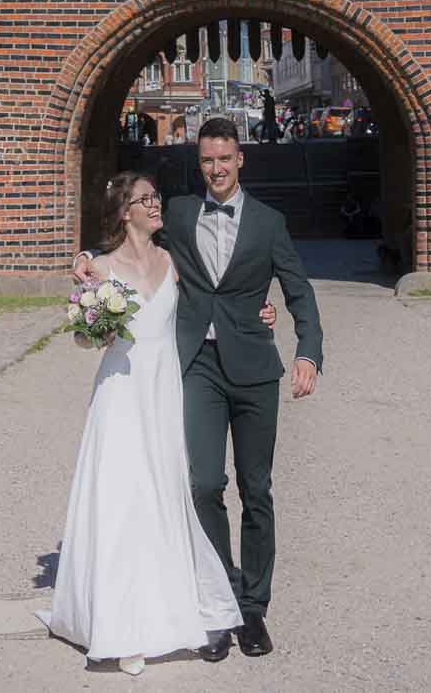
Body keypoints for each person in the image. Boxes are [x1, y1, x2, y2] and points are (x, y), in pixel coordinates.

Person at [43, 172, 276, 673]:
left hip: (167, 388)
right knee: (125, 497)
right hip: (122, 392)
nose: (155, 205)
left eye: (156, 197)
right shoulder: (100, 268)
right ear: (124, 212)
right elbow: (86, 340)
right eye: (144, 199)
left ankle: (175, 601)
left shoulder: (173, 260)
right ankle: (123, 622)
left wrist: (260, 308)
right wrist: (91, 317)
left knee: (168, 492)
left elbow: (221, 294)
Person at [163, 117, 323, 660]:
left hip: (255, 370)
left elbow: (298, 289)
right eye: (207, 160)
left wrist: (308, 351)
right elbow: (131, 233)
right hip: (199, 366)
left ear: (240, 159)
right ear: (199, 162)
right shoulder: (180, 212)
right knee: (204, 483)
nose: (216, 169)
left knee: (257, 490)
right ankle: (216, 603)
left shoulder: (269, 223)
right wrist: (90, 257)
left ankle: (252, 609)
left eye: (224, 159)